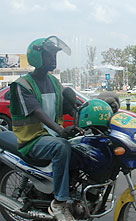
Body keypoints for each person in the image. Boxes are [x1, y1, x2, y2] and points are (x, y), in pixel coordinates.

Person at [10, 36, 78, 221]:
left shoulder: (55, 83)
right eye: (49, 55)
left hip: (52, 136)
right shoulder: (22, 85)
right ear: (37, 57)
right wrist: (60, 129)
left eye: (55, 55)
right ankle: (59, 202)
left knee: (83, 146)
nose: (53, 59)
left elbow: (69, 106)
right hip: (32, 140)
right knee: (61, 146)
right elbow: (38, 111)